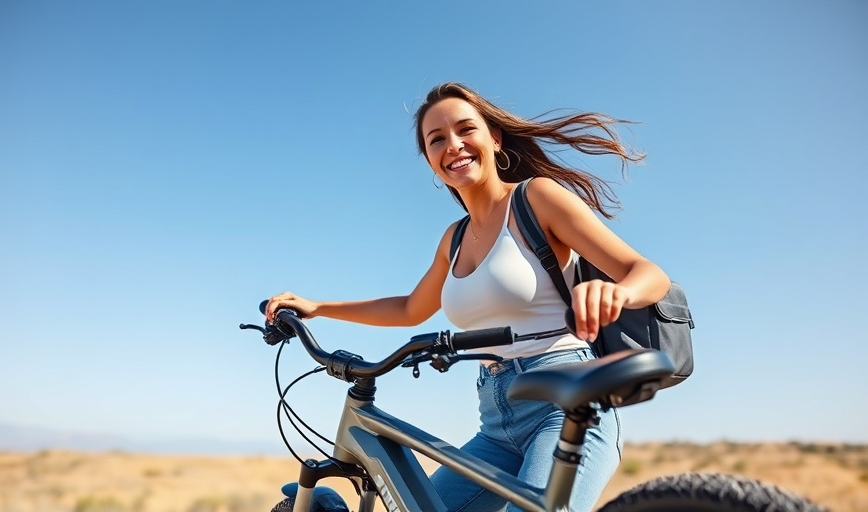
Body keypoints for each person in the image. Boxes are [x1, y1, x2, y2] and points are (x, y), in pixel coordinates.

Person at [265, 82, 671, 512]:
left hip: (564, 402)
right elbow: (410, 309)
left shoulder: (536, 198)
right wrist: (318, 308)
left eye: (465, 130)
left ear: (494, 138)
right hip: (496, 422)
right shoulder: (453, 239)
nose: (453, 145)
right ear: (431, 162)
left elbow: (649, 275)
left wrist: (616, 291)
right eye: (436, 139)